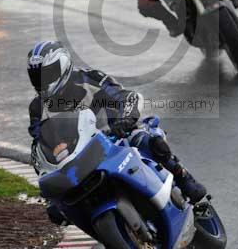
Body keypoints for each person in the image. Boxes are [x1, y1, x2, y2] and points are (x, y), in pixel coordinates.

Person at [27, 40, 207, 226]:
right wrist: (50, 191)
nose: (42, 80)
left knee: (148, 140)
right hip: (79, 155)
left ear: (63, 66)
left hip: (116, 136)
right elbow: (40, 143)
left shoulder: (89, 78)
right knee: (60, 206)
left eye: (47, 73)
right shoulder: (37, 107)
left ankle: (185, 180)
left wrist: (125, 119)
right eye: (36, 76)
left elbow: (123, 96)